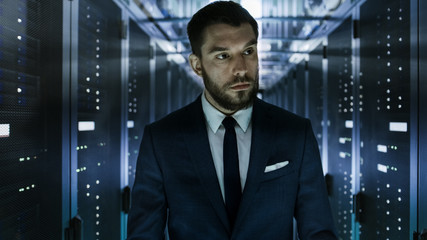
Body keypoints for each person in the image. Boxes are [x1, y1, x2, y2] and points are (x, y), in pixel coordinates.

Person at [127, 1, 338, 239]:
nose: (240, 69)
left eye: (248, 52)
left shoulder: (296, 132)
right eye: (223, 56)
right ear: (197, 65)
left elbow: (319, 231)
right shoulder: (161, 139)